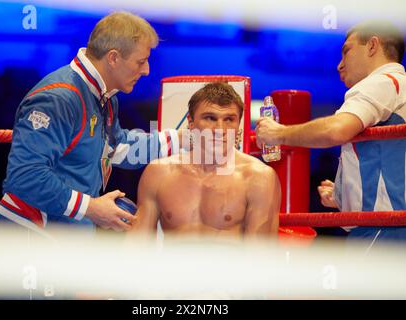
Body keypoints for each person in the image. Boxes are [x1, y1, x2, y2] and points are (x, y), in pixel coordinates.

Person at [0, 12, 183, 235]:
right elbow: (25, 177)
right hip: (29, 236)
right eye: (140, 61)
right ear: (113, 58)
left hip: (64, 234)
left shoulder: (103, 96)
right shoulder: (58, 98)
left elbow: (117, 148)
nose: (146, 70)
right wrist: (91, 207)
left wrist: (183, 140)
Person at [256, 21, 406, 245]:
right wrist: (344, 196)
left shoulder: (382, 83)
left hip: (383, 230)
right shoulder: (397, 87)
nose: (340, 65)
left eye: (346, 51)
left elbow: (336, 131)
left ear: (373, 46)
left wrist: (279, 133)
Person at [130, 82, 280, 242]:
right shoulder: (159, 173)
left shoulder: (258, 178)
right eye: (210, 118)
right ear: (191, 122)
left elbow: (260, 259)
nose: (220, 129)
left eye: (229, 119)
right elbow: (138, 247)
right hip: (172, 266)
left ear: (238, 125)